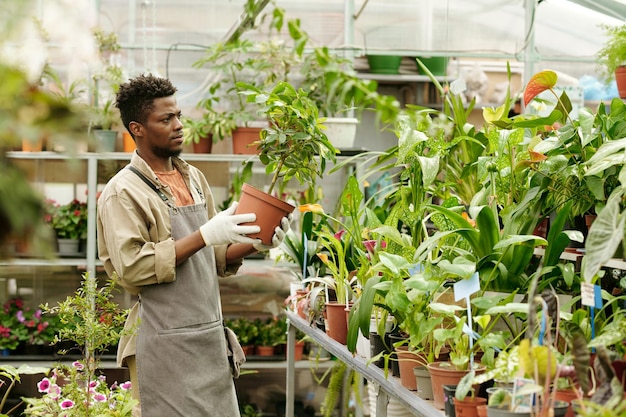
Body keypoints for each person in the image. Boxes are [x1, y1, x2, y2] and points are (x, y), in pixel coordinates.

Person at [97, 73, 291, 416]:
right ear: (137, 128)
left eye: (179, 116)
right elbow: (133, 268)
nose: (178, 126)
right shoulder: (123, 191)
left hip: (209, 340)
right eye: (165, 119)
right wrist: (204, 234)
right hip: (163, 344)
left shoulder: (194, 178)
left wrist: (255, 244)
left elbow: (213, 257)